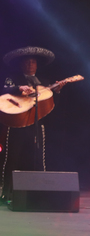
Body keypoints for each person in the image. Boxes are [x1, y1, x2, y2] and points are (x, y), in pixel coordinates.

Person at [1, 47, 64, 204]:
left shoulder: (42, 81)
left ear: (37, 65)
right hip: (17, 124)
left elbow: (50, 103)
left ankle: (37, 193)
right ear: (22, 64)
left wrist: (57, 90)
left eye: (33, 62)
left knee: (37, 157)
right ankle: (5, 192)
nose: (30, 64)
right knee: (12, 158)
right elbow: (5, 89)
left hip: (36, 124)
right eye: (27, 62)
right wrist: (19, 88)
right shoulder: (13, 77)